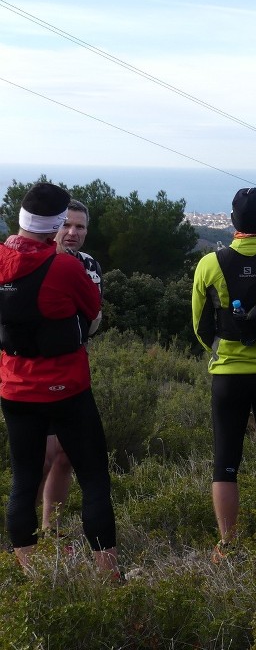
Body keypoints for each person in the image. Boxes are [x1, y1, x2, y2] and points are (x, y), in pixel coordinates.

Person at [0, 182, 119, 575]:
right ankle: (107, 574)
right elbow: (93, 309)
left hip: (14, 387)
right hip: (67, 387)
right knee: (95, 478)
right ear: (54, 224)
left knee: (24, 479)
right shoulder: (66, 266)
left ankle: (32, 575)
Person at [192, 187, 256, 560]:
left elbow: (200, 326)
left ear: (233, 222)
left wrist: (223, 353)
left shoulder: (209, 264)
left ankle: (228, 544)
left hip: (227, 377)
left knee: (225, 461)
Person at [39, 198, 103, 532]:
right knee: (43, 456)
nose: (72, 232)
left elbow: (93, 319)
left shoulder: (89, 265)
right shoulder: (37, 261)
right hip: (37, 373)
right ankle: (24, 533)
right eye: (66, 225)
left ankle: (53, 530)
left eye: (80, 226)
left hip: (75, 369)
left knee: (64, 454)